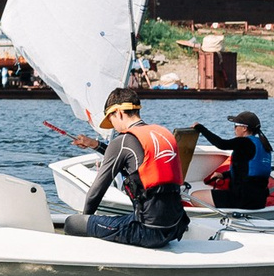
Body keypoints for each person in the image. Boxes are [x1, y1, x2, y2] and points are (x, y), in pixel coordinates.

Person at [60, 90, 191, 249]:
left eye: (111, 119)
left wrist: (85, 222)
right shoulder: (163, 133)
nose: (113, 126)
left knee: (73, 223)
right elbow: (134, 164)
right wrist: (95, 144)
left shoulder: (122, 141)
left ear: (119, 113)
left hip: (147, 232)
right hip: (175, 228)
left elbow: (95, 194)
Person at [194, 111, 274, 209]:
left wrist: (200, 128)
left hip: (241, 200)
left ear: (245, 128)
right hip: (259, 201)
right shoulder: (264, 145)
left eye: (236, 125)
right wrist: (223, 175)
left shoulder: (244, 142)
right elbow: (246, 170)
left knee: (195, 196)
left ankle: (219, 220)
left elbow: (221, 144)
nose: (234, 129)